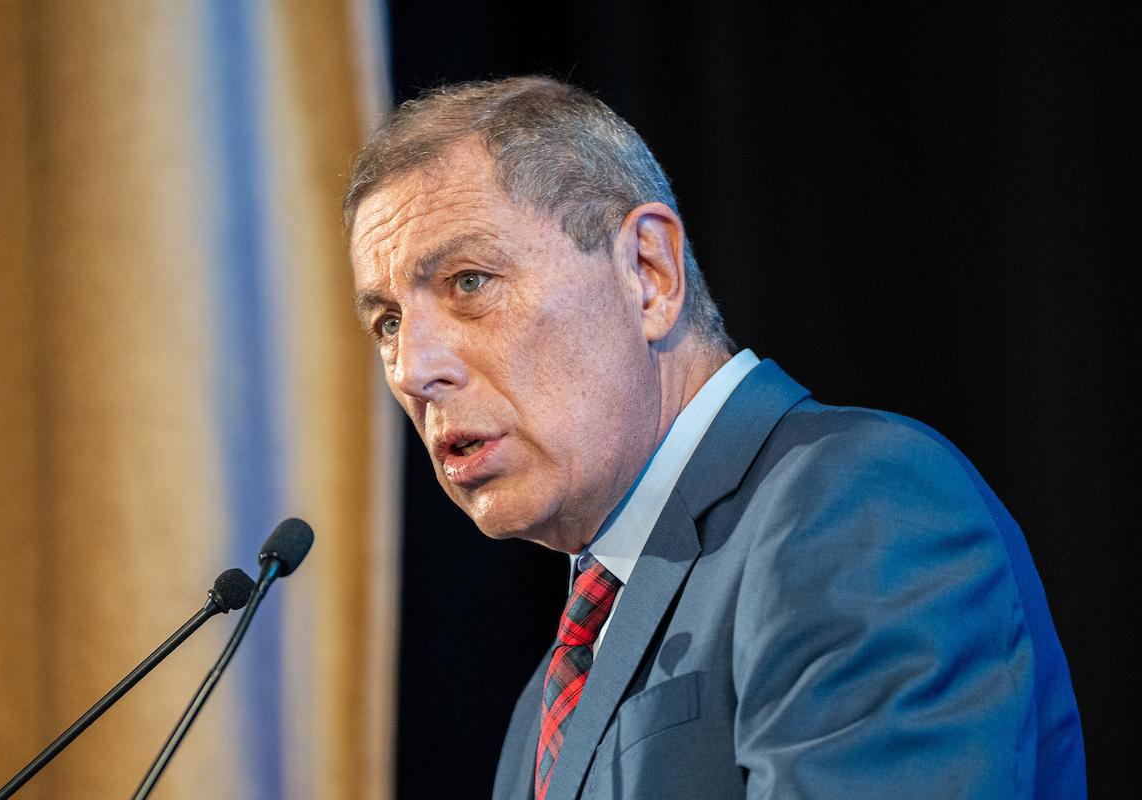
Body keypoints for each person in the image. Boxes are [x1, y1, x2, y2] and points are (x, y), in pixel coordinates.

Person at [344, 76, 1085, 800]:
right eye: (387, 323)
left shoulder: (854, 506)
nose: (414, 369)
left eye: (469, 282)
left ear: (649, 272)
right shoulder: (542, 704)